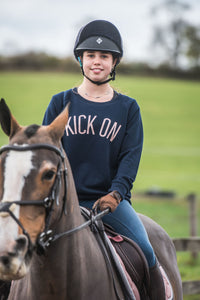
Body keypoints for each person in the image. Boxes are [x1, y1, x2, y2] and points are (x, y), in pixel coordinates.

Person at [43, 20, 165, 299]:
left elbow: (130, 157)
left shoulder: (128, 108)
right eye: (90, 56)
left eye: (104, 57)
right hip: (63, 202)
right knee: (15, 246)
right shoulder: (59, 102)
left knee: (147, 251)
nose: (96, 62)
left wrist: (117, 193)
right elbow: (47, 156)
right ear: (80, 59)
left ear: (114, 62)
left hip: (108, 203)